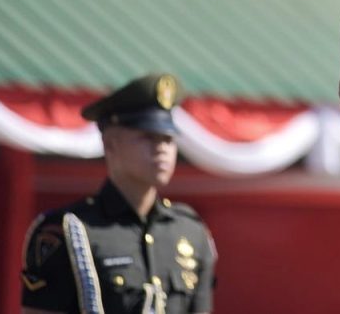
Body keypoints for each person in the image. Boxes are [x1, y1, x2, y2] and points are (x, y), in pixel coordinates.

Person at [20, 73, 217, 314]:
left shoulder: (190, 231)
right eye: (148, 138)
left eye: (168, 139)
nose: (162, 149)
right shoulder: (68, 231)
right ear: (110, 143)